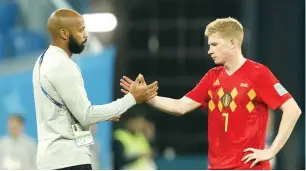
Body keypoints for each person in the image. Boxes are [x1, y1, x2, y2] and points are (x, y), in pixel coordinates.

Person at [119, 17, 301, 170]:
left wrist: (271, 151)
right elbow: (181, 106)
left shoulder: (258, 73)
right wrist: (147, 97)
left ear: (232, 43)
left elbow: (293, 110)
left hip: (249, 167)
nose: (209, 51)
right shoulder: (212, 77)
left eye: (214, 44)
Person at [32, 9, 158, 170]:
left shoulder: (42, 61)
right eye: (80, 30)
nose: (85, 36)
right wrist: (132, 98)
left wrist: (103, 115)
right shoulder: (64, 65)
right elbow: (86, 115)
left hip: (51, 160)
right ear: (64, 33)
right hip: (69, 162)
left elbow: (70, 117)